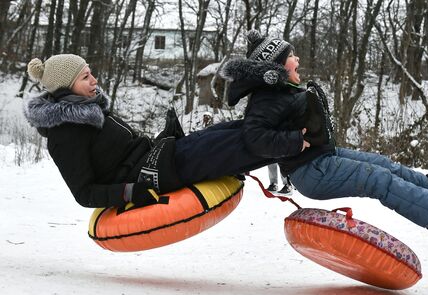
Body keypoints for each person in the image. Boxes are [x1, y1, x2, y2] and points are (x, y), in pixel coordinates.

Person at [220, 30, 428, 229]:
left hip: (322, 157)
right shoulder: (266, 99)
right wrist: (295, 141)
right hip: (310, 172)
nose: (297, 60)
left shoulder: (282, 90)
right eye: (291, 56)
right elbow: (254, 138)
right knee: (377, 178)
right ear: (276, 65)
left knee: (381, 163)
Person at [24, 54, 276, 209]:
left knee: (227, 128)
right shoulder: (64, 134)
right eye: (85, 77)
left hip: (158, 157)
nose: (94, 81)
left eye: (91, 73)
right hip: (152, 175)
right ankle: (301, 142)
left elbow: (126, 150)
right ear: (66, 88)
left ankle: (288, 118)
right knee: (234, 144)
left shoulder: (91, 110)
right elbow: (84, 193)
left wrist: (164, 137)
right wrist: (130, 192)